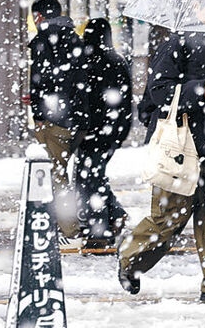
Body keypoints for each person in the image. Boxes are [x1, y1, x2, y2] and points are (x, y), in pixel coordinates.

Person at [118, 1, 205, 303]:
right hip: (181, 149)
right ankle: (130, 259)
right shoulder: (176, 43)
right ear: (196, 8)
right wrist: (199, 89)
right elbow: (158, 92)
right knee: (168, 221)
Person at [23, 0, 89, 239]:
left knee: (56, 174)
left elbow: (44, 80)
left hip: (56, 120)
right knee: (63, 172)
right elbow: (72, 80)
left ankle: (69, 229)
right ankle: (71, 223)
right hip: (78, 118)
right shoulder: (74, 38)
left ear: (38, 16)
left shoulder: (43, 40)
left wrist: (40, 111)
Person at [79, 18, 132, 247]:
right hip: (113, 130)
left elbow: (86, 99)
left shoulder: (88, 62)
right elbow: (125, 100)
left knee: (90, 177)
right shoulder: (117, 61)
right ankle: (113, 214)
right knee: (94, 175)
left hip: (93, 130)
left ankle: (99, 230)